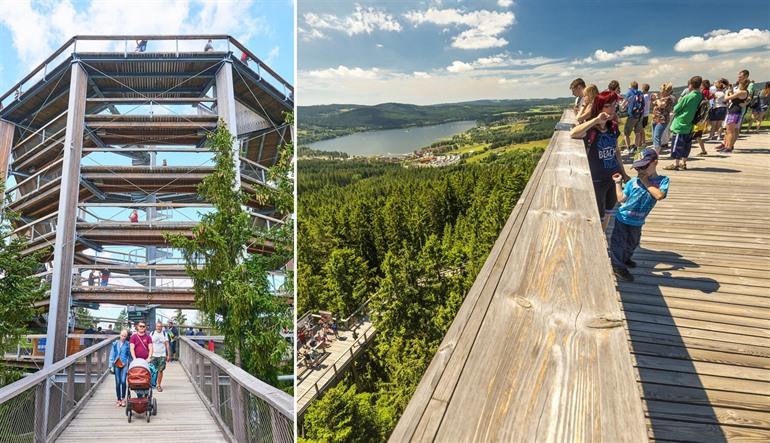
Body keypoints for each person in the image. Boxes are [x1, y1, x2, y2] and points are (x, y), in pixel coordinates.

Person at [570, 90, 630, 231]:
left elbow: (616, 152)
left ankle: (603, 238)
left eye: (613, 105)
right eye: (607, 106)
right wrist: (596, 120)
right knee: (598, 214)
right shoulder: (591, 130)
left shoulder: (613, 127)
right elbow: (574, 133)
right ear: (599, 107)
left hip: (614, 177)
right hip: (597, 180)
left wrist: (624, 173)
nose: (611, 109)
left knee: (609, 211)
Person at [609, 149, 669, 282]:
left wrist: (647, 182)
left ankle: (625, 258)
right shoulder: (632, 182)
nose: (641, 171)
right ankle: (618, 266)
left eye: (644, 167)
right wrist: (618, 183)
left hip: (638, 221)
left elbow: (659, 195)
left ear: (655, 163)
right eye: (637, 168)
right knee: (618, 243)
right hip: (623, 218)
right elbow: (621, 199)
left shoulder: (662, 181)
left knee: (633, 242)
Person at [664, 76, 703, 171]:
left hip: (681, 124)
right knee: (687, 145)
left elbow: (676, 108)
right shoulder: (700, 96)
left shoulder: (688, 96)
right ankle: (683, 162)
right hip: (691, 124)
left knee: (677, 144)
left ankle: (676, 164)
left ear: (691, 85)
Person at [718, 79, 749, 154]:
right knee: (729, 131)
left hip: (734, 112)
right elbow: (734, 98)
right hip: (734, 111)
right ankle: (727, 146)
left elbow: (727, 98)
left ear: (743, 85)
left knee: (730, 131)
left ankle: (729, 147)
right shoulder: (745, 92)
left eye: (739, 84)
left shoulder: (742, 92)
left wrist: (727, 92)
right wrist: (731, 91)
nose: (738, 86)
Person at [109, 329, 132, 407]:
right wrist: (110, 365)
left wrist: (129, 364)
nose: (123, 337)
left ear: (126, 337)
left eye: (125, 336)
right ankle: (118, 399)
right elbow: (112, 354)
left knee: (123, 381)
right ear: (120, 335)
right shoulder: (115, 344)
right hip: (116, 364)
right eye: (122, 336)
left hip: (124, 364)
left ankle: (123, 398)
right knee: (118, 382)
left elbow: (129, 355)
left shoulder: (127, 344)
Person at [621, 81, 645, 155]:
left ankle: (628, 148)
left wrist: (622, 108)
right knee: (637, 132)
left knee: (626, 133)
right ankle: (636, 148)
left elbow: (623, 105)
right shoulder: (640, 93)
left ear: (631, 86)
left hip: (632, 116)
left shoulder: (629, 93)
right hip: (640, 115)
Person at [651, 83, 675, 154]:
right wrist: (654, 99)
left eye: (661, 90)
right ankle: (656, 151)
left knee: (657, 136)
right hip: (656, 119)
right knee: (655, 137)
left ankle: (656, 154)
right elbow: (654, 102)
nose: (660, 91)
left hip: (662, 120)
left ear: (665, 91)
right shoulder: (662, 98)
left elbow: (661, 105)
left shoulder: (669, 98)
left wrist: (657, 99)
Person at [150, 322, 170, 391]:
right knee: (153, 370)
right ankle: (152, 383)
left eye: (160, 326)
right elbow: (149, 344)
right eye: (158, 326)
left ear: (162, 327)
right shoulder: (152, 333)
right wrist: (149, 354)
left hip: (162, 355)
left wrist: (168, 355)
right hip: (153, 354)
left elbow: (167, 344)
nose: (159, 327)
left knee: (160, 370)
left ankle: (158, 385)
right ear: (155, 327)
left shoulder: (165, 334)